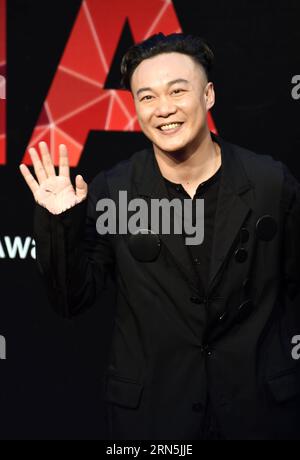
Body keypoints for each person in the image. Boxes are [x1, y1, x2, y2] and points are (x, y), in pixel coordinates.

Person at [19, 33, 300, 440]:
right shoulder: (114, 191)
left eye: (178, 91)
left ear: (208, 96)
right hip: (153, 421)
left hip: (259, 414)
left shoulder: (269, 183)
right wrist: (59, 222)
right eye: (146, 97)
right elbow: (70, 300)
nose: (163, 109)